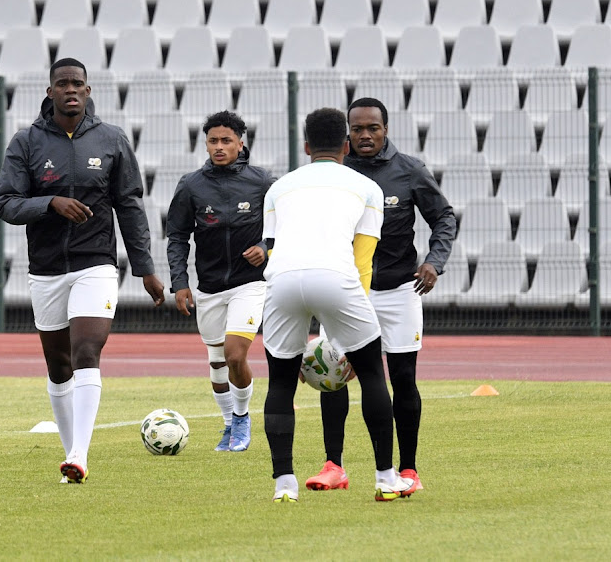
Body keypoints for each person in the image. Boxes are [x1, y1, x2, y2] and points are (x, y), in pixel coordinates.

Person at [0, 58, 165, 484]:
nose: (71, 89)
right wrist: (50, 203)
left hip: (96, 263)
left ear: (88, 91)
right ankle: (71, 455)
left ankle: (79, 455)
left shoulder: (111, 140)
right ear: (50, 91)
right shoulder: (26, 142)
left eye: (78, 84)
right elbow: (7, 204)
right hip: (47, 269)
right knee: (58, 366)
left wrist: (144, 268)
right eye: (62, 84)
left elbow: (129, 205)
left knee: (86, 350)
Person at [261, 107, 417, 503]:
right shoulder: (367, 187)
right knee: (371, 375)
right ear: (346, 146)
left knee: (280, 382)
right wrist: (355, 324)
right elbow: (362, 260)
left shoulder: (279, 187)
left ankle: (284, 485)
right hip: (336, 277)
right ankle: (386, 478)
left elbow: (274, 246)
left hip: (280, 280)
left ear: (307, 146)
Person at [305, 97, 456, 493]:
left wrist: (434, 262)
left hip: (399, 289)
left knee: (403, 378)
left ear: (386, 129)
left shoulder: (409, 171)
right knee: (334, 375)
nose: (365, 135)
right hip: (346, 290)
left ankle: (409, 470)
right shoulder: (334, 174)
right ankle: (333, 466)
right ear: (346, 134)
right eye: (357, 129)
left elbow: (443, 217)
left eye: (373, 128)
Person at [166, 110, 275, 452]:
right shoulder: (191, 185)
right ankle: (228, 424)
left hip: (250, 284)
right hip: (209, 288)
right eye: (213, 140)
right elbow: (177, 237)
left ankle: (242, 418)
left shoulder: (262, 183)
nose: (219, 146)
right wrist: (179, 282)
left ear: (241, 143)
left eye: (226, 140)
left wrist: (265, 247)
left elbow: (283, 228)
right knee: (216, 363)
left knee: (234, 355)